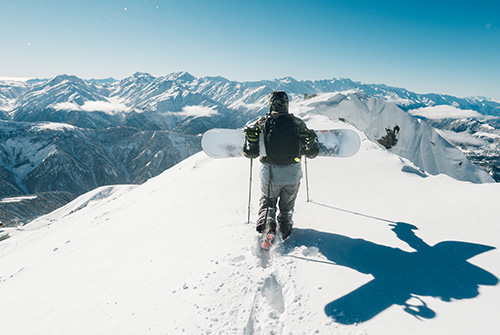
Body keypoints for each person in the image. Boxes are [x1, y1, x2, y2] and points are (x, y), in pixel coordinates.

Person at [243, 91, 319, 246]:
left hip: (270, 175)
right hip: (292, 175)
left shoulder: (262, 122)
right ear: (287, 104)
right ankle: (285, 228)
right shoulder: (297, 123)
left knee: (268, 201)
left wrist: (250, 140)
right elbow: (311, 153)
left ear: (271, 104)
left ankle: (268, 227)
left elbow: (251, 153)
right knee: (287, 206)